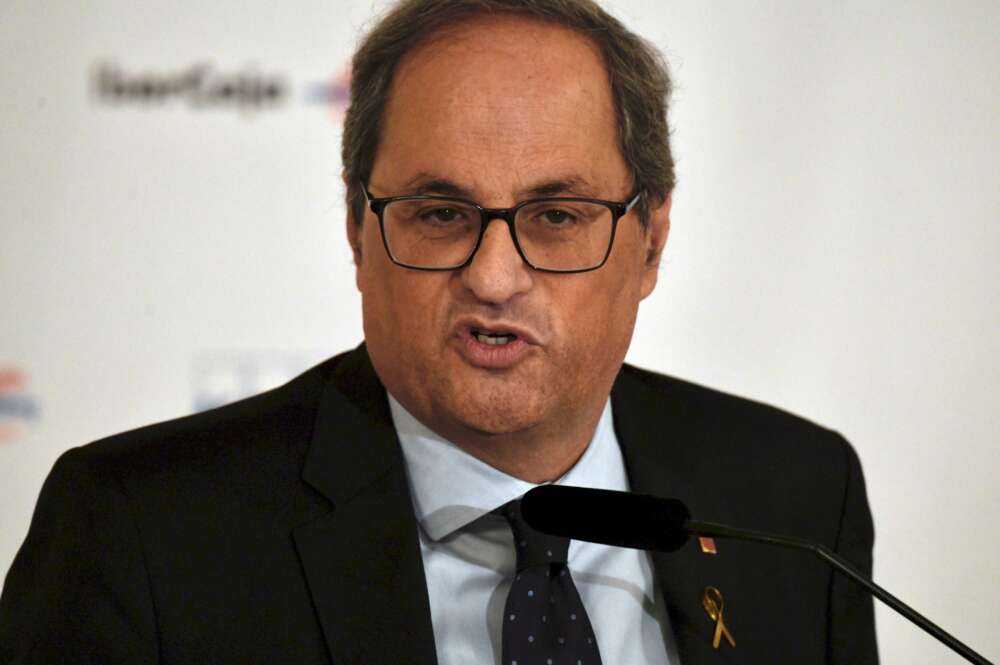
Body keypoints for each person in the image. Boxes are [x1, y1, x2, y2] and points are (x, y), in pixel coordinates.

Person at [0, 0, 878, 663]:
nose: (493, 277)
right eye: (440, 213)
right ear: (358, 232)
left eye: (557, 216)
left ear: (650, 241)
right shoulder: (139, 535)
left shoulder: (796, 498)